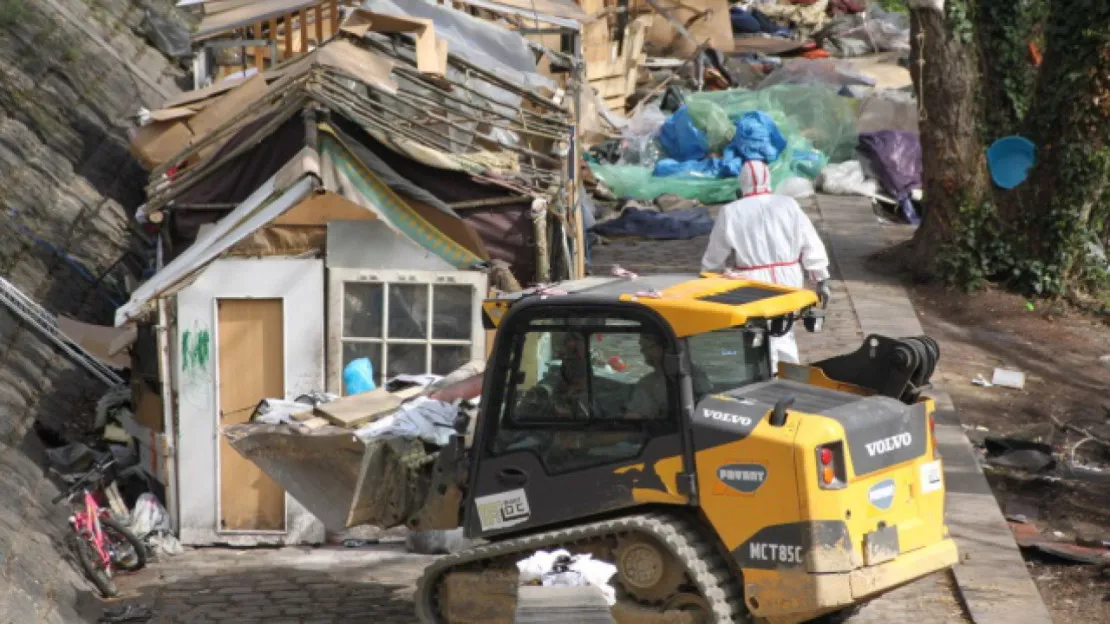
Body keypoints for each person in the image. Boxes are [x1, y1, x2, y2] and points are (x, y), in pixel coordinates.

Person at [701, 160, 831, 369]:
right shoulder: (788, 204)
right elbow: (810, 242)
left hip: (753, 281)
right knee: (785, 329)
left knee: (759, 331)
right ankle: (788, 371)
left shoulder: (731, 211)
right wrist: (821, 277)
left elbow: (715, 255)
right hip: (789, 277)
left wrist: (708, 277)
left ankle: (766, 374)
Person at [626, 333, 711, 419]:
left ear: (665, 348)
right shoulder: (647, 382)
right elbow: (635, 415)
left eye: (647, 347)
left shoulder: (692, 374)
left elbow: (704, 406)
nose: (642, 351)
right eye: (642, 347)